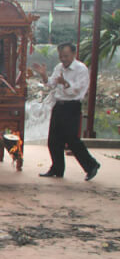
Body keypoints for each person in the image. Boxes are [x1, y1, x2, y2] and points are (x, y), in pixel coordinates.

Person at [31, 42, 100, 181]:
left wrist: (65, 83)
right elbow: (51, 84)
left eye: (66, 56)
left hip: (72, 106)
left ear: (74, 54)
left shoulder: (81, 69)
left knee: (72, 139)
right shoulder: (59, 67)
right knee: (53, 140)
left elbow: (78, 90)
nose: (63, 59)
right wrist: (44, 75)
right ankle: (57, 168)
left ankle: (91, 165)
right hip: (59, 105)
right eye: (61, 56)